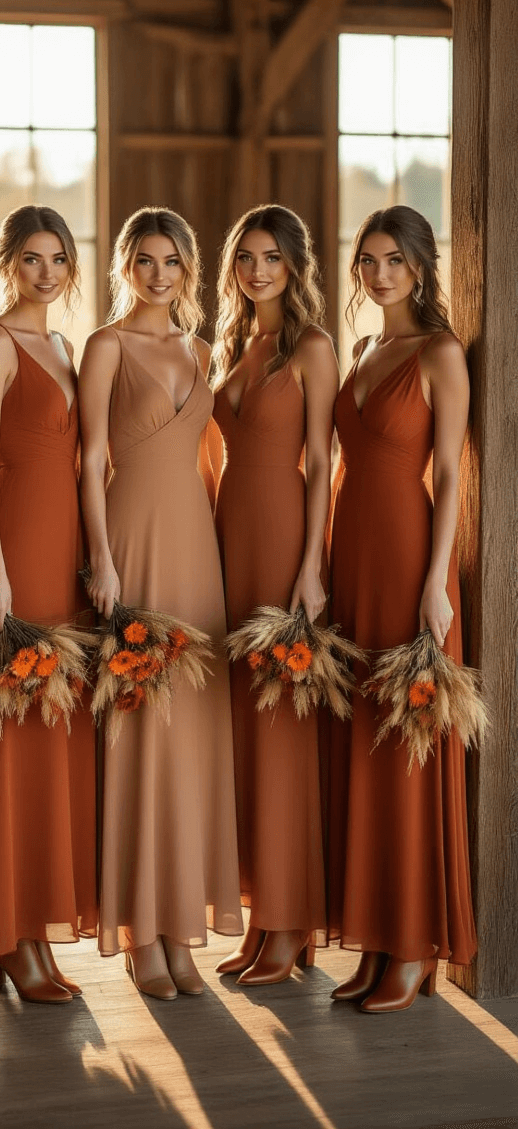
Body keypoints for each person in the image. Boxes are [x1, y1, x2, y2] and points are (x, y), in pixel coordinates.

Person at [79, 207, 241, 1000]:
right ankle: (143, 934)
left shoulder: (202, 349)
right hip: (134, 543)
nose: (156, 273)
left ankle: (182, 931)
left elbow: (208, 459)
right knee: (141, 727)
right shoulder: (105, 346)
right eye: (143, 260)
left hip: (195, 549)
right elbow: (87, 463)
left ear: (188, 270)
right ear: (123, 266)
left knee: (193, 735)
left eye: (171, 261)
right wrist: (101, 559)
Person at [328, 205, 476, 1013]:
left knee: (409, 748)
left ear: (420, 268)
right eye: (368, 260)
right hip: (352, 556)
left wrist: (435, 582)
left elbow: (449, 475)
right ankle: (378, 939)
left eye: (394, 260)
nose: (379, 273)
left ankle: (416, 949)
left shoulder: (440, 352)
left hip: (408, 558)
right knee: (366, 749)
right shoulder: (363, 350)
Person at [0, 206, 97, 1004]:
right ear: (8, 264)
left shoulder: (64, 346)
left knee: (54, 737)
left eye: (57, 259)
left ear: (71, 267)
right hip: (18, 553)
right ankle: (11, 939)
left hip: (65, 557)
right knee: (17, 736)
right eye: (30, 259)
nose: (44, 272)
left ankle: (37, 933)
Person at [212, 205, 339, 984]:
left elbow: (323, 462)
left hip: (284, 535)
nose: (259, 270)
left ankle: (293, 926)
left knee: (283, 725)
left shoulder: (312, 346)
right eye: (247, 257)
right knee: (246, 732)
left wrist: (313, 566)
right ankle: (264, 920)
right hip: (231, 537)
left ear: (296, 266)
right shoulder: (236, 342)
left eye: (274, 258)